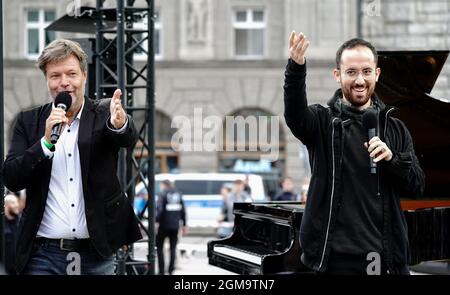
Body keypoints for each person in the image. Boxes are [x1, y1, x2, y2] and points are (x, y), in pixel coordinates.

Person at [284, 32, 425, 275]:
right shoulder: (322, 121)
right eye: (351, 72)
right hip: (333, 260)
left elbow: (417, 186)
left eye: (366, 71)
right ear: (337, 75)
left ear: (377, 74)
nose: (360, 80)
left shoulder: (396, 128)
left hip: (386, 260)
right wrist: (296, 69)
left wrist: (393, 160)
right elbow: (295, 115)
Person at [2, 39, 142, 275]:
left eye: (71, 74)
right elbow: (12, 178)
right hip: (43, 255)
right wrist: (45, 143)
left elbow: (126, 139)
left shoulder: (102, 113)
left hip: (96, 252)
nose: (64, 83)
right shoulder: (29, 122)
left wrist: (121, 124)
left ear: (84, 76)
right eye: (55, 76)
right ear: (46, 79)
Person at [156, 180, 187, 275]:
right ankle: (171, 270)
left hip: (163, 226)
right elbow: (183, 211)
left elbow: (160, 210)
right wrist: (185, 224)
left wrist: (156, 221)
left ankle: (161, 271)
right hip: (175, 226)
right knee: (172, 248)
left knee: (160, 248)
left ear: (164, 185)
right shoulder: (178, 194)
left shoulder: (163, 194)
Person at [3, 193, 22, 275]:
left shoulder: (21, 222)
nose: (17, 205)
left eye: (17, 202)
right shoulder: (2, 225)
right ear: (6, 205)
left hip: (20, 268)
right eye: (13, 203)